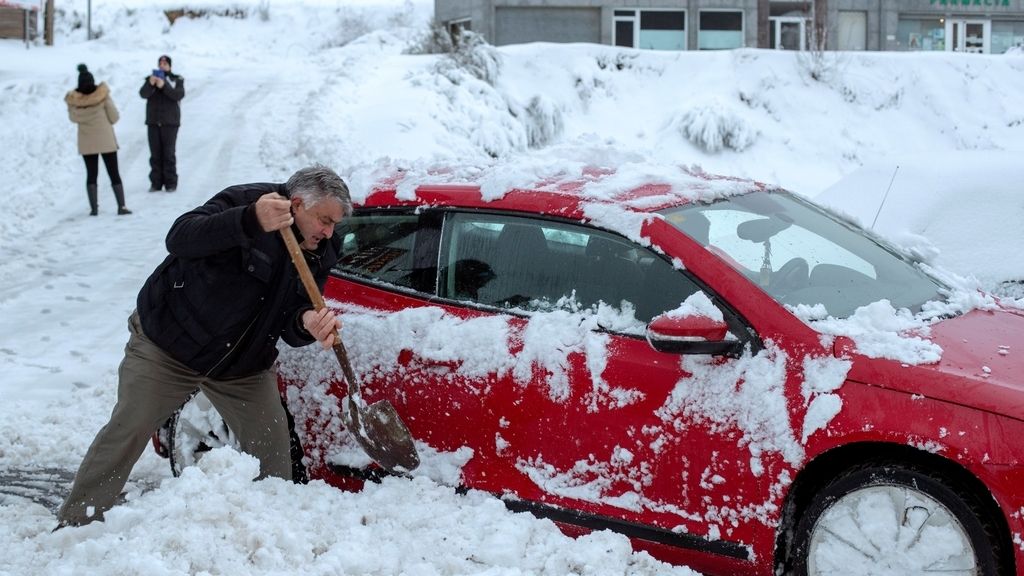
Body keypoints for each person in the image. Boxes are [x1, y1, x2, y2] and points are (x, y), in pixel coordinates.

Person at [56, 165, 351, 528]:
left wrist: (307, 323)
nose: (329, 231)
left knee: (272, 447)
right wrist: (248, 220)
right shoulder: (245, 201)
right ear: (297, 203)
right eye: (324, 220)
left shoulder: (324, 246)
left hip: (242, 365)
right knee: (128, 429)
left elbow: (293, 312)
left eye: (334, 224)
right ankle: (74, 526)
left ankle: (272, 533)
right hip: (171, 346)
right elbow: (180, 238)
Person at [65, 64, 132, 216]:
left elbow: (72, 118)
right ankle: (121, 206)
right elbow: (114, 117)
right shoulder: (102, 95)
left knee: (91, 174)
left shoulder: (74, 100)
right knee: (113, 172)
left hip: (87, 142)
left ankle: (94, 209)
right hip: (106, 141)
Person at [139, 54, 185, 192]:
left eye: (165, 64)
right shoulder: (150, 79)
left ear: (170, 66)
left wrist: (164, 86)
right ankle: (156, 183)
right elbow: (143, 94)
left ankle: (171, 183)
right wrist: (151, 84)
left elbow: (178, 95)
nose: (162, 66)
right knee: (155, 154)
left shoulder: (176, 79)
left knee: (169, 153)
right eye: (160, 64)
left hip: (170, 122)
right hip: (153, 122)